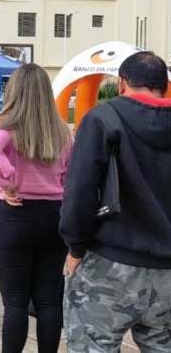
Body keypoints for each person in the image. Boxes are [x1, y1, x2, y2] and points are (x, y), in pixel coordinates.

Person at [60, 51, 171, 352]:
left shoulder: (101, 120)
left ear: (121, 83)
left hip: (110, 264)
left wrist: (75, 247)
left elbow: (80, 191)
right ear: (165, 85)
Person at [0, 64, 72, 353]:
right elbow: (70, 177)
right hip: (54, 217)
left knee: (15, 303)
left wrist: (5, 180)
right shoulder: (63, 132)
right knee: (48, 300)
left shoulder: (5, 128)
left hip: (15, 216)